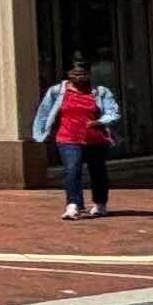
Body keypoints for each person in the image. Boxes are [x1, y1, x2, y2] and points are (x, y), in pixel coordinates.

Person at [31, 55, 121, 220]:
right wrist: (40, 134)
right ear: (68, 74)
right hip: (68, 138)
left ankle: (100, 203)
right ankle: (73, 205)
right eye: (75, 73)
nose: (79, 77)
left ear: (89, 74)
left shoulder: (100, 92)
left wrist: (100, 121)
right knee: (72, 170)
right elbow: (43, 112)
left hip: (95, 140)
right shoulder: (57, 92)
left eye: (83, 73)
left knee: (98, 172)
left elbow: (113, 112)